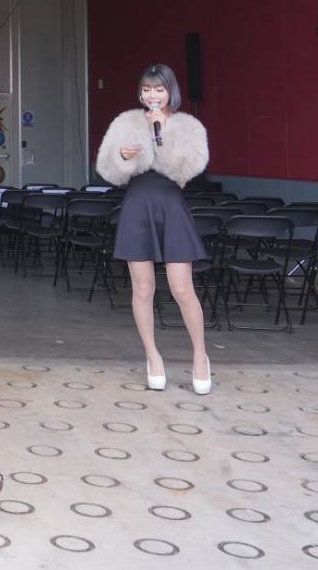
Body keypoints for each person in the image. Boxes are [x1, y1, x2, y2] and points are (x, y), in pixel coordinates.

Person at [95, 63, 212, 395]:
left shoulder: (188, 125)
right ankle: (152, 356)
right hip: (137, 204)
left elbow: (190, 168)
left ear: (170, 91)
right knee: (143, 288)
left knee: (182, 288)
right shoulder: (126, 122)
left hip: (171, 204)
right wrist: (122, 156)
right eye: (146, 89)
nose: (152, 95)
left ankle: (200, 356)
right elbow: (107, 169)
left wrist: (162, 137)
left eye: (158, 89)